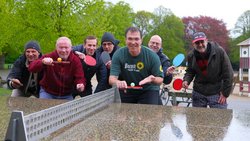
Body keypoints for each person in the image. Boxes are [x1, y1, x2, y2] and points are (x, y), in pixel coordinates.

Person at [109, 27, 163, 105]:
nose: (133, 42)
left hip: (148, 89)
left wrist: (152, 79)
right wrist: (118, 82)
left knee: (150, 114)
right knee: (119, 113)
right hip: (127, 89)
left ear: (141, 40)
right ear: (125, 40)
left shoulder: (152, 56)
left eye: (136, 39)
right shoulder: (118, 54)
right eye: (130, 39)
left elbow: (160, 79)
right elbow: (111, 79)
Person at [182, 32, 234, 109]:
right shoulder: (191, 55)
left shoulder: (219, 51)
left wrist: (225, 93)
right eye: (197, 43)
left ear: (206, 40)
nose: (200, 45)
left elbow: (229, 73)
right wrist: (186, 80)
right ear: (193, 44)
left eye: (202, 42)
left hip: (217, 92)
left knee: (220, 119)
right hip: (198, 92)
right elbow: (190, 71)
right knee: (196, 120)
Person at [148, 35, 175, 105]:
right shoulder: (140, 53)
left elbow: (167, 81)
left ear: (161, 45)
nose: (154, 45)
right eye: (152, 42)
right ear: (148, 43)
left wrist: (167, 73)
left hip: (153, 90)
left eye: (157, 43)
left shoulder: (165, 59)